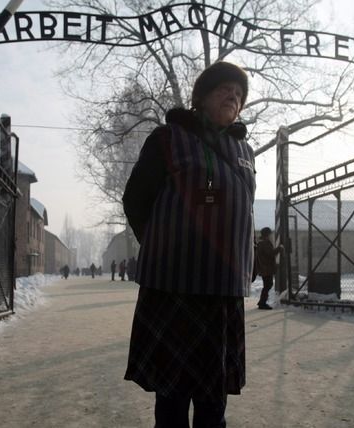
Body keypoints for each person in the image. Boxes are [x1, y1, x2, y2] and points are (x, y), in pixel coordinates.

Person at [123, 61, 255, 427]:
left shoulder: (245, 151)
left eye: (239, 94)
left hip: (223, 292)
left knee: (214, 402)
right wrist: (164, 248)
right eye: (224, 89)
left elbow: (243, 207)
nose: (233, 96)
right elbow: (136, 200)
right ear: (200, 98)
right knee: (173, 399)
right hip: (174, 289)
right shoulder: (167, 139)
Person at [256, 227, 277, 310]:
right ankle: (262, 303)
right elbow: (271, 253)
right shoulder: (264, 243)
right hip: (266, 268)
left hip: (265, 268)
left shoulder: (262, 243)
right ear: (267, 235)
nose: (270, 235)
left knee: (268, 284)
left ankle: (262, 302)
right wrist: (280, 248)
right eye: (269, 234)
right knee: (268, 284)